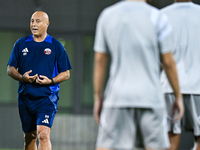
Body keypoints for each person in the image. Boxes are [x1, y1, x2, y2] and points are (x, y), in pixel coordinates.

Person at [93, 0, 184, 150]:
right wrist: (178, 96)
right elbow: (168, 61)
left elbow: (100, 59)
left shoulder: (107, 16)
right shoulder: (158, 17)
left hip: (117, 97)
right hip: (150, 97)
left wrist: (98, 97)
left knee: (106, 146)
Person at [7, 11, 72, 150]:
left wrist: (50, 81)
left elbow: (66, 74)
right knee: (30, 137)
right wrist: (22, 77)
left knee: (43, 135)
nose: (34, 24)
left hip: (46, 98)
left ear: (47, 24)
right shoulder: (21, 44)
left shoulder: (55, 46)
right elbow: (10, 69)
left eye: (38, 21)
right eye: (32, 21)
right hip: (25, 98)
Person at [160, 0, 200, 150]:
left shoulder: (162, 15)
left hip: (169, 85)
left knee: (170, 140)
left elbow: (158, 55)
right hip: (198, 86)